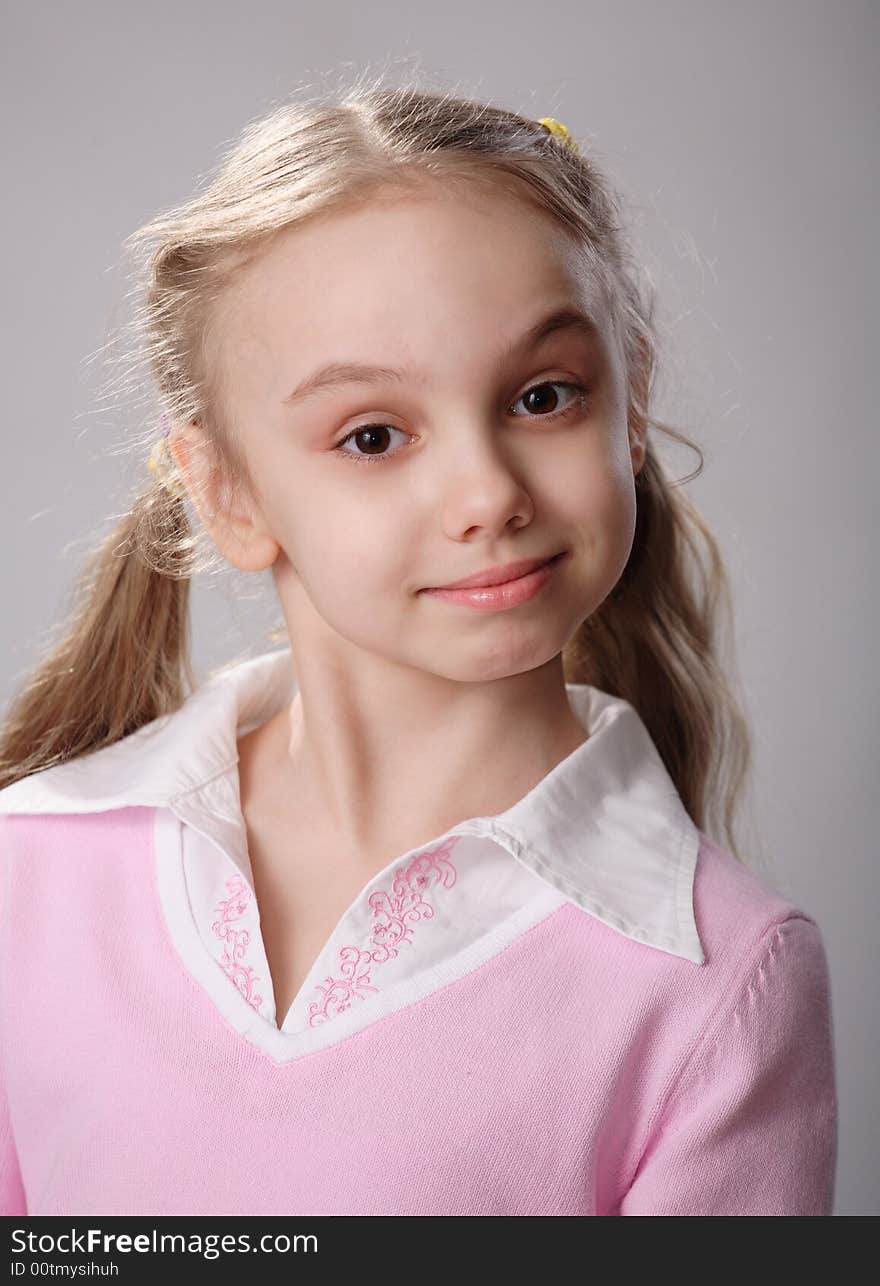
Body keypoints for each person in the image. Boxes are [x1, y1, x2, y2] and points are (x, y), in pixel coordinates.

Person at [0, 80, 837, 1216]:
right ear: (227, 492)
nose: (488, 493)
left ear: (629, 401)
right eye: (375, 435)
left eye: (544, 396)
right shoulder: (32, 875)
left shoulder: (723, 980)